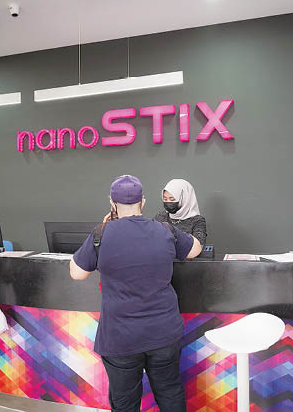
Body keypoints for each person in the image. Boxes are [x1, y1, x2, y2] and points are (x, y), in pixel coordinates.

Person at [70, 175, 201, 411]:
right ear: (143, 202)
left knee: (125, 403)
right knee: (170, 392)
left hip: (120, 338)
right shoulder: (165, 230)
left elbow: (77, 273)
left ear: (112, 203)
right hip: (164, 333)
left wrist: (105, 227)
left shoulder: (101, 234)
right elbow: (195, 249)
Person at [154, 179, 207, 246]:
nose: (168, 202)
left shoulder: (197, 221)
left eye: (172, 199)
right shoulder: (160, 216)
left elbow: (198, 245)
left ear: (184, 198)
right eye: (165, 199)